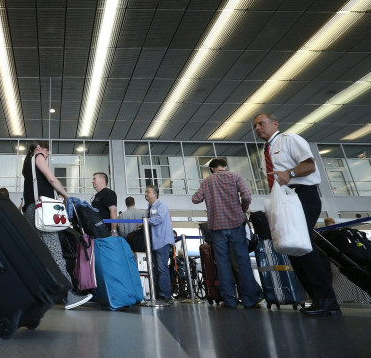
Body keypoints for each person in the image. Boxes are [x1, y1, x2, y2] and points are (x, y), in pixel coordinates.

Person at [254, 112, 340, 316]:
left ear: (275, 123)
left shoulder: (289, 140)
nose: (258, 128)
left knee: (304, 245)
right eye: (255, 126)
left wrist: (290, 173)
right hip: (285, 199)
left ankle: (328, 299)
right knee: (292, 249)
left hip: (302, 195)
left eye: (261, 123)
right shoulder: (265, 150)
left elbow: (310, 165)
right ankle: (318, 298)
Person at [22, 140, 92, 309]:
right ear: (39, 148)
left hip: (31, 211)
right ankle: (68, 296)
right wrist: (67, 196)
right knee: (54, 252)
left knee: (38, 255)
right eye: (47, 151)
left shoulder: (27, 165)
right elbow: (52, 179)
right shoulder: (37, 156)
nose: (47, 155)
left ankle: (31, 295)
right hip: (41, 212)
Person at [191, 158, 262, 309]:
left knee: (223, 264)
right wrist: (242, 208)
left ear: (211, 169)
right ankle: (249, 300)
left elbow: (195, 199)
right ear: (225, 166)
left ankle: (229, 300)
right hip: (236, 224)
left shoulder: (207, 181)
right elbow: (247, 196)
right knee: (243, 262)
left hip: (217, 227)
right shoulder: (235, 176)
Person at [145, 185, 175, 305]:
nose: (146, 194)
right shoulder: (148, 208)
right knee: (156, 269)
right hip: (153, 242)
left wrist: (145, 221)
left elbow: (159, 219)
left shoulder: (161, 204)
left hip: (162, 241)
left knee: (162, 268)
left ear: (155, 194)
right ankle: (157, 293)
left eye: (148, 192)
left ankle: (165, 295)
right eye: (146, 192)